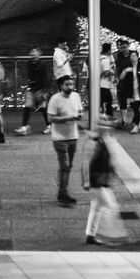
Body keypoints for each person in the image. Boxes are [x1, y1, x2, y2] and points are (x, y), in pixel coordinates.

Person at [84, 123, 129, 246]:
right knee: (110, 207)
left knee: (97, 208)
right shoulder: (95, 143)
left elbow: (110, 161)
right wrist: (87, 181)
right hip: (98, 181)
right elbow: (87, 162)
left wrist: (112, 174)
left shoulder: (104, 141)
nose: (108, 130)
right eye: (106, 128)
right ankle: (107, 235)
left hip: (102, 180)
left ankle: (91, 235)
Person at [47, 75, 83, 205]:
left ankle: (62, 192)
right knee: (65, 166)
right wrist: (67, 118)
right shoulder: (55, 99)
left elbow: (79, 113)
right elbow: (50, 119)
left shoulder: (76, 97)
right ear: (61, 86)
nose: (70, 87)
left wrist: (78, 117)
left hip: (73, 136)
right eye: (67, 84)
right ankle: (63, 193)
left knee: (69, 166)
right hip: (59, 138)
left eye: (71, 84)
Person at [17, 46, 52, 135]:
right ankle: (24, 127)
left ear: (39, 54)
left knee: (43, 108)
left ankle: (49, 126)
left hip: (40, 89)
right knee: (27, 107)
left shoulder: (42, 64)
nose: (32, 53)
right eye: (31, 52)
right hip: (32, 88)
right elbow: (30, 75)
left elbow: (45, 78)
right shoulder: (29, 63)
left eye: (34, 51)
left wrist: (45, 91)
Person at [118, 51, 140, 132]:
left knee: (136, 107)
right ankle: (138, 122)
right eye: (131, 55)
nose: (132, 57)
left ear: (137, 57)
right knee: (134, 107)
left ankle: (136, 126)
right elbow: (121, 78)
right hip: (130, 91)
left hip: (139, 90)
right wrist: (125, 71)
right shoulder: (127, 66)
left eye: (134, 55)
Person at [98, 43, 116, 120]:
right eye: (110, 50)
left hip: (100, 84)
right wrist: (112, 73)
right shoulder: (105, 60)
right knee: (108, 101)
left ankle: (107, 116)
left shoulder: (99, 57)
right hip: (103, 84)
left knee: (105, 101)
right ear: (108, 50)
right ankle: (108, 117)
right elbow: (105, 73)